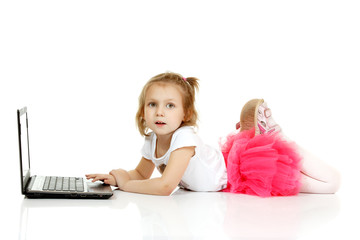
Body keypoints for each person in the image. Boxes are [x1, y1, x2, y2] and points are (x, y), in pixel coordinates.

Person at [86, 73, 341, 197]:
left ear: (185, 114)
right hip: (226, 167)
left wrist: (127, 186)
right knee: (324, 185)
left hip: (238, 172)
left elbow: (166, 186)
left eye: (170, 105)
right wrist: (116, 177)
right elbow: (142, 174)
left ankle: (277, 138)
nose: (159, 112)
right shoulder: (152, 141)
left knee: (331, 184)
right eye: (152, 104)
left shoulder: (183, 139)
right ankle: (264, 136)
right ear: (143, 111)